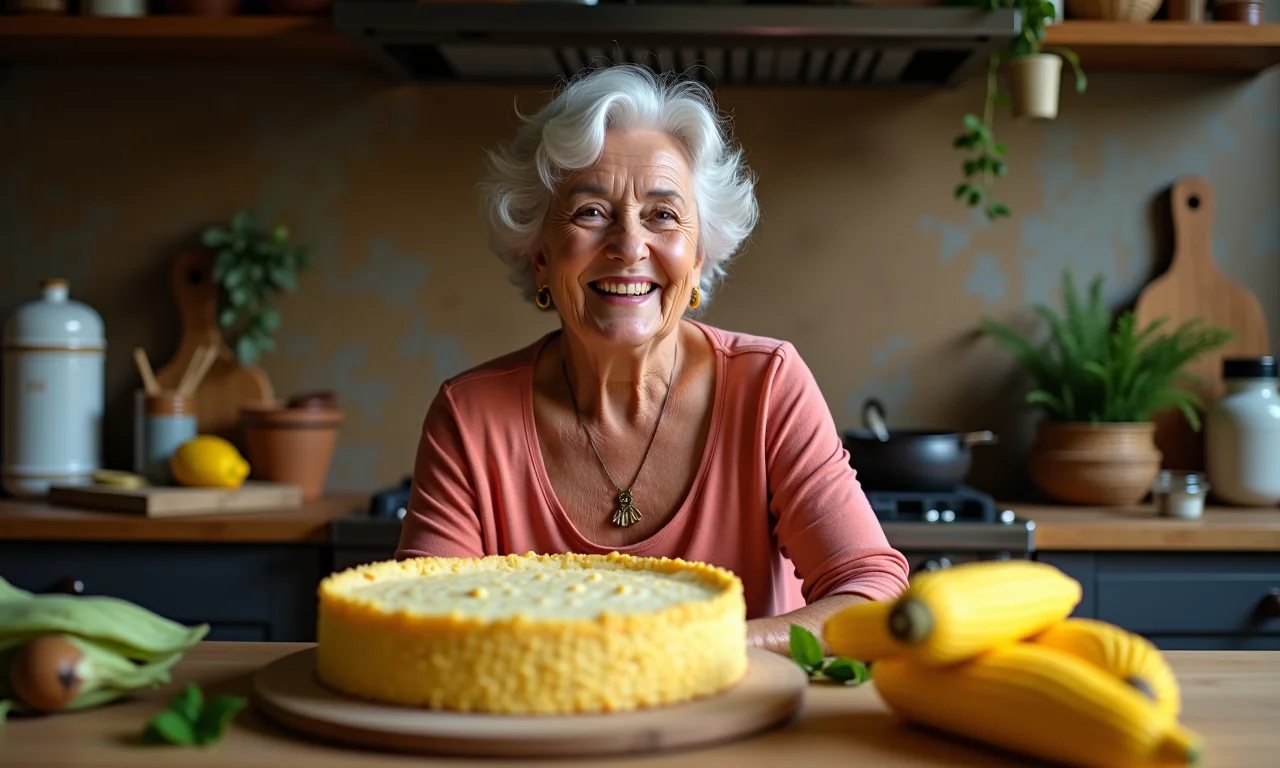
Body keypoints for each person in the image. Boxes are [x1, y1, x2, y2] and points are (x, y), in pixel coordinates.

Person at [396, 63, 910, 655]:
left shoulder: (766, 385)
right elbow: (419, 626)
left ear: (698, 258)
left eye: (663, 215)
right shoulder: (470, 416)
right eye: (591, 212)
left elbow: (872, 595)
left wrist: (688, 649)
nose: (629, 246)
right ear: (540, 256)